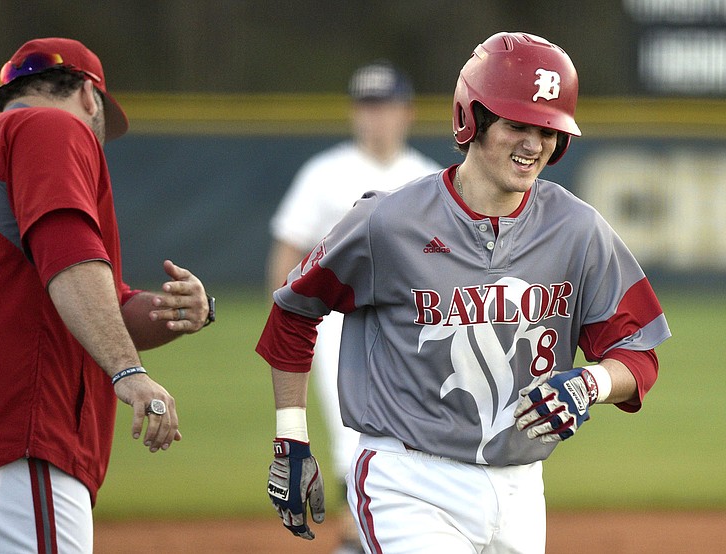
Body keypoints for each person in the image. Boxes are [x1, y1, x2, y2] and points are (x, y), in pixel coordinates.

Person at [257, 31, 671, 553]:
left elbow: (637, 356)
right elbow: (294, 310)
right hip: (407, 479)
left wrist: (589, 383)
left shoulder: (577, 229)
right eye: (517, 124)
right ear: (470, 118)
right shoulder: (388, 222)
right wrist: (290, 433)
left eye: (548, 129)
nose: (533, 144)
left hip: (521, 489)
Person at [0, 37, 215, 553]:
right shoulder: (51, 125)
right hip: (8, 443)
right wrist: (130, 373)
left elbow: (95, 301)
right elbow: (69, 257)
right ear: (88, 94)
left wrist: (179, 310)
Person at [265, 60, 441, 552]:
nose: (376, 117)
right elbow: (288, 249)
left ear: (407, 112)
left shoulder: (427, 176)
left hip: (409, 327)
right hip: (336, 328)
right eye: (367, 106)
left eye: (385, 106)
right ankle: (358, 533)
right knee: (352, 435)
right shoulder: (323, 173)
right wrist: (283, 327)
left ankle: (386, 527)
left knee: (412, 433)